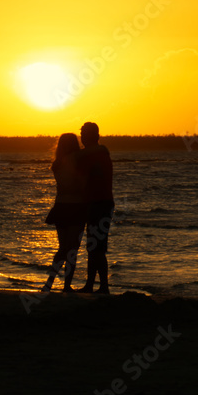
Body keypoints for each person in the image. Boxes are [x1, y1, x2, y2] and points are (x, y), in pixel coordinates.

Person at [42, 133, 87, 292]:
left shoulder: (57, 163)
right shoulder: (77, 159)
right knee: (72, 249)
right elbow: (79, 184)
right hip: (75, 207)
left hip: (60, 206)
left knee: (62, 248)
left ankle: (49, 282)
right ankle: (66, 285)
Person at [78, 122, 114, 294]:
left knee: (97, 247)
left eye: (84, 134)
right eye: (82, 134)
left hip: (100, 204)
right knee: (94, 246)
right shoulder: (99, 153)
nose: (82, 137)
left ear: (92, 136)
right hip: (98, 203)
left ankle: (103, 286)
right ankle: (91, 285)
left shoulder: (95, 154)